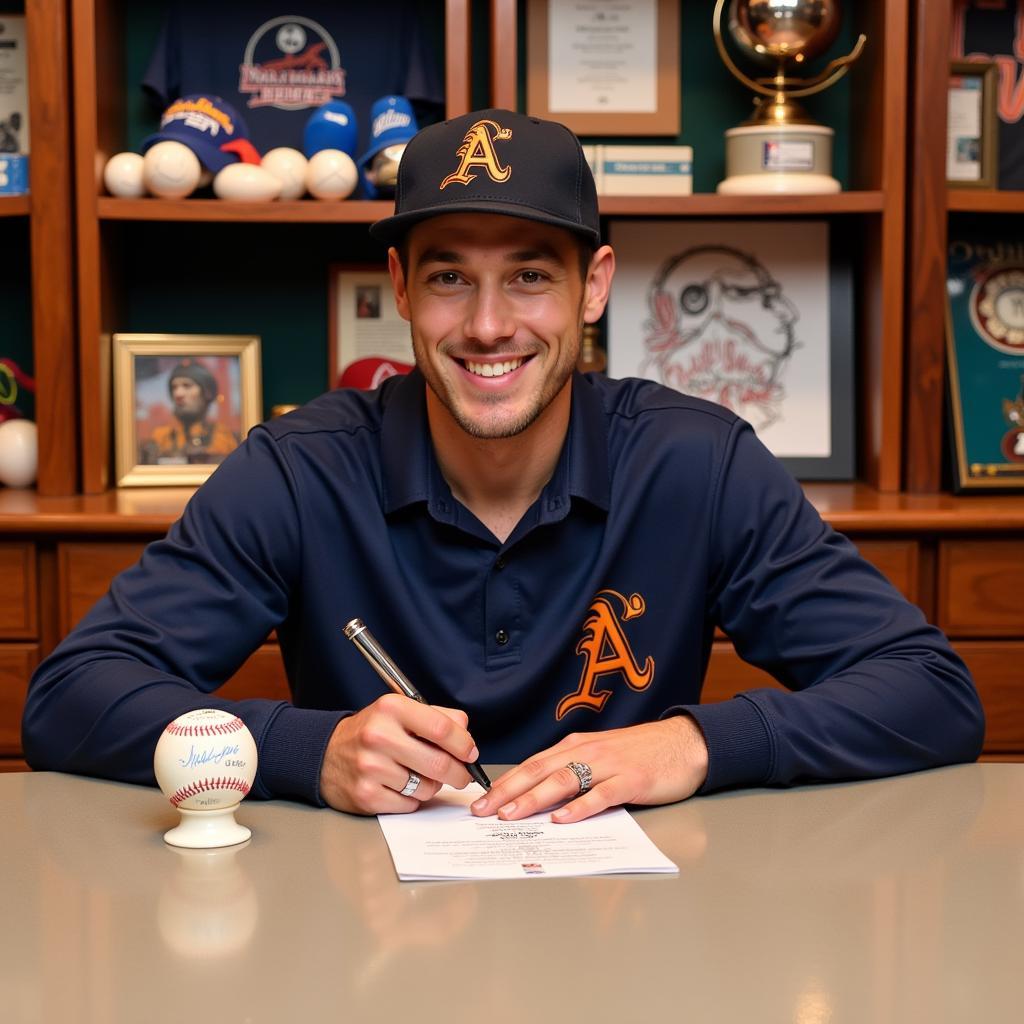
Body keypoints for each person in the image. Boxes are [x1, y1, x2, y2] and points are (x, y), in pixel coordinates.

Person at [23, 109, 984, 824]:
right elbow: (73, 697)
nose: (488, 325)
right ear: (400, 286)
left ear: (593, 286)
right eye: (449, 276)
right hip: (360, 938)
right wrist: (302, 749)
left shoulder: (699, 461)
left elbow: (929, 691)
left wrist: (695, 743)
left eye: (530, 273)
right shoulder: (298, 469)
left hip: (641, 935)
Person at [139, 359, 240, 465]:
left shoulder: (223, 438)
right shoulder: (160, 438)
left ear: (207, 393)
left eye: (187, 386)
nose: (178, 393)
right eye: (174, 387)